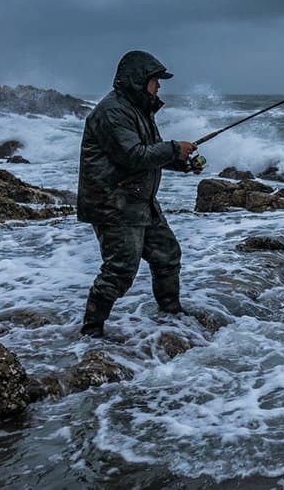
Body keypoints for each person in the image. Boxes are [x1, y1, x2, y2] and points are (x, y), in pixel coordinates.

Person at [76, 50, 203, 337]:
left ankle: (171, 314)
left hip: (138, 200)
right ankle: (91, 332)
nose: (158, 86)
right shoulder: (112, 112)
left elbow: (148, 154)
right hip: (114, 203)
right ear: (138, 80)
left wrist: (181, 162)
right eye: (155, 80)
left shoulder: (138, 109)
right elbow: (133, 155)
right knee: (120, 270)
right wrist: (173, 148)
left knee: (167, 255)